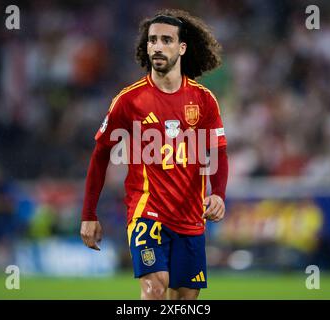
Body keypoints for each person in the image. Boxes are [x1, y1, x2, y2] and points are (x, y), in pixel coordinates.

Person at [80, 9, 228, 300]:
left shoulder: (203, 100)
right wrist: (88, 214)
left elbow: (218, 153)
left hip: (190, 217)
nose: (157, 47)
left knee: (185, 298)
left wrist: (218, 193)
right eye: (152, 41)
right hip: (146, 213)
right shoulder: (129, 100)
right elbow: (100, 156)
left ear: (182, 48)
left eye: (166, 40)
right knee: (154, 287)